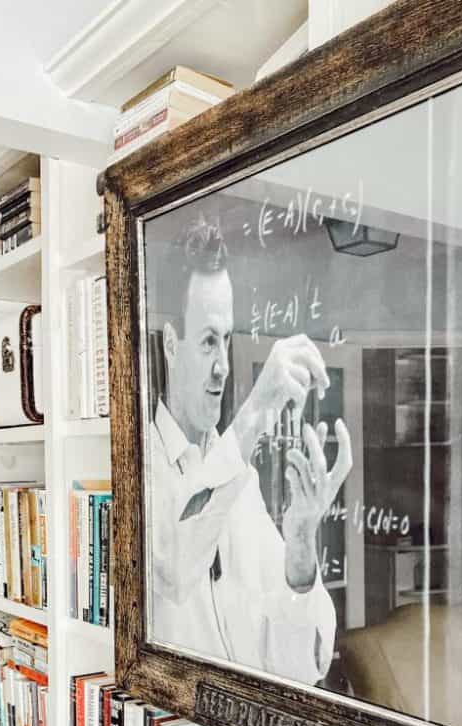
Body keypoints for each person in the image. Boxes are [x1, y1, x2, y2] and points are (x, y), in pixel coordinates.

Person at [149, 215, 351, 685]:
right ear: (171, 344)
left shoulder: (242, 486)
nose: (222, 366)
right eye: (206, 342)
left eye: (226, 339)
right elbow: (174, 570)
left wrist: (301, 541)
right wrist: (258, 408)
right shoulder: (142, 466)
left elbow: (296, 664)